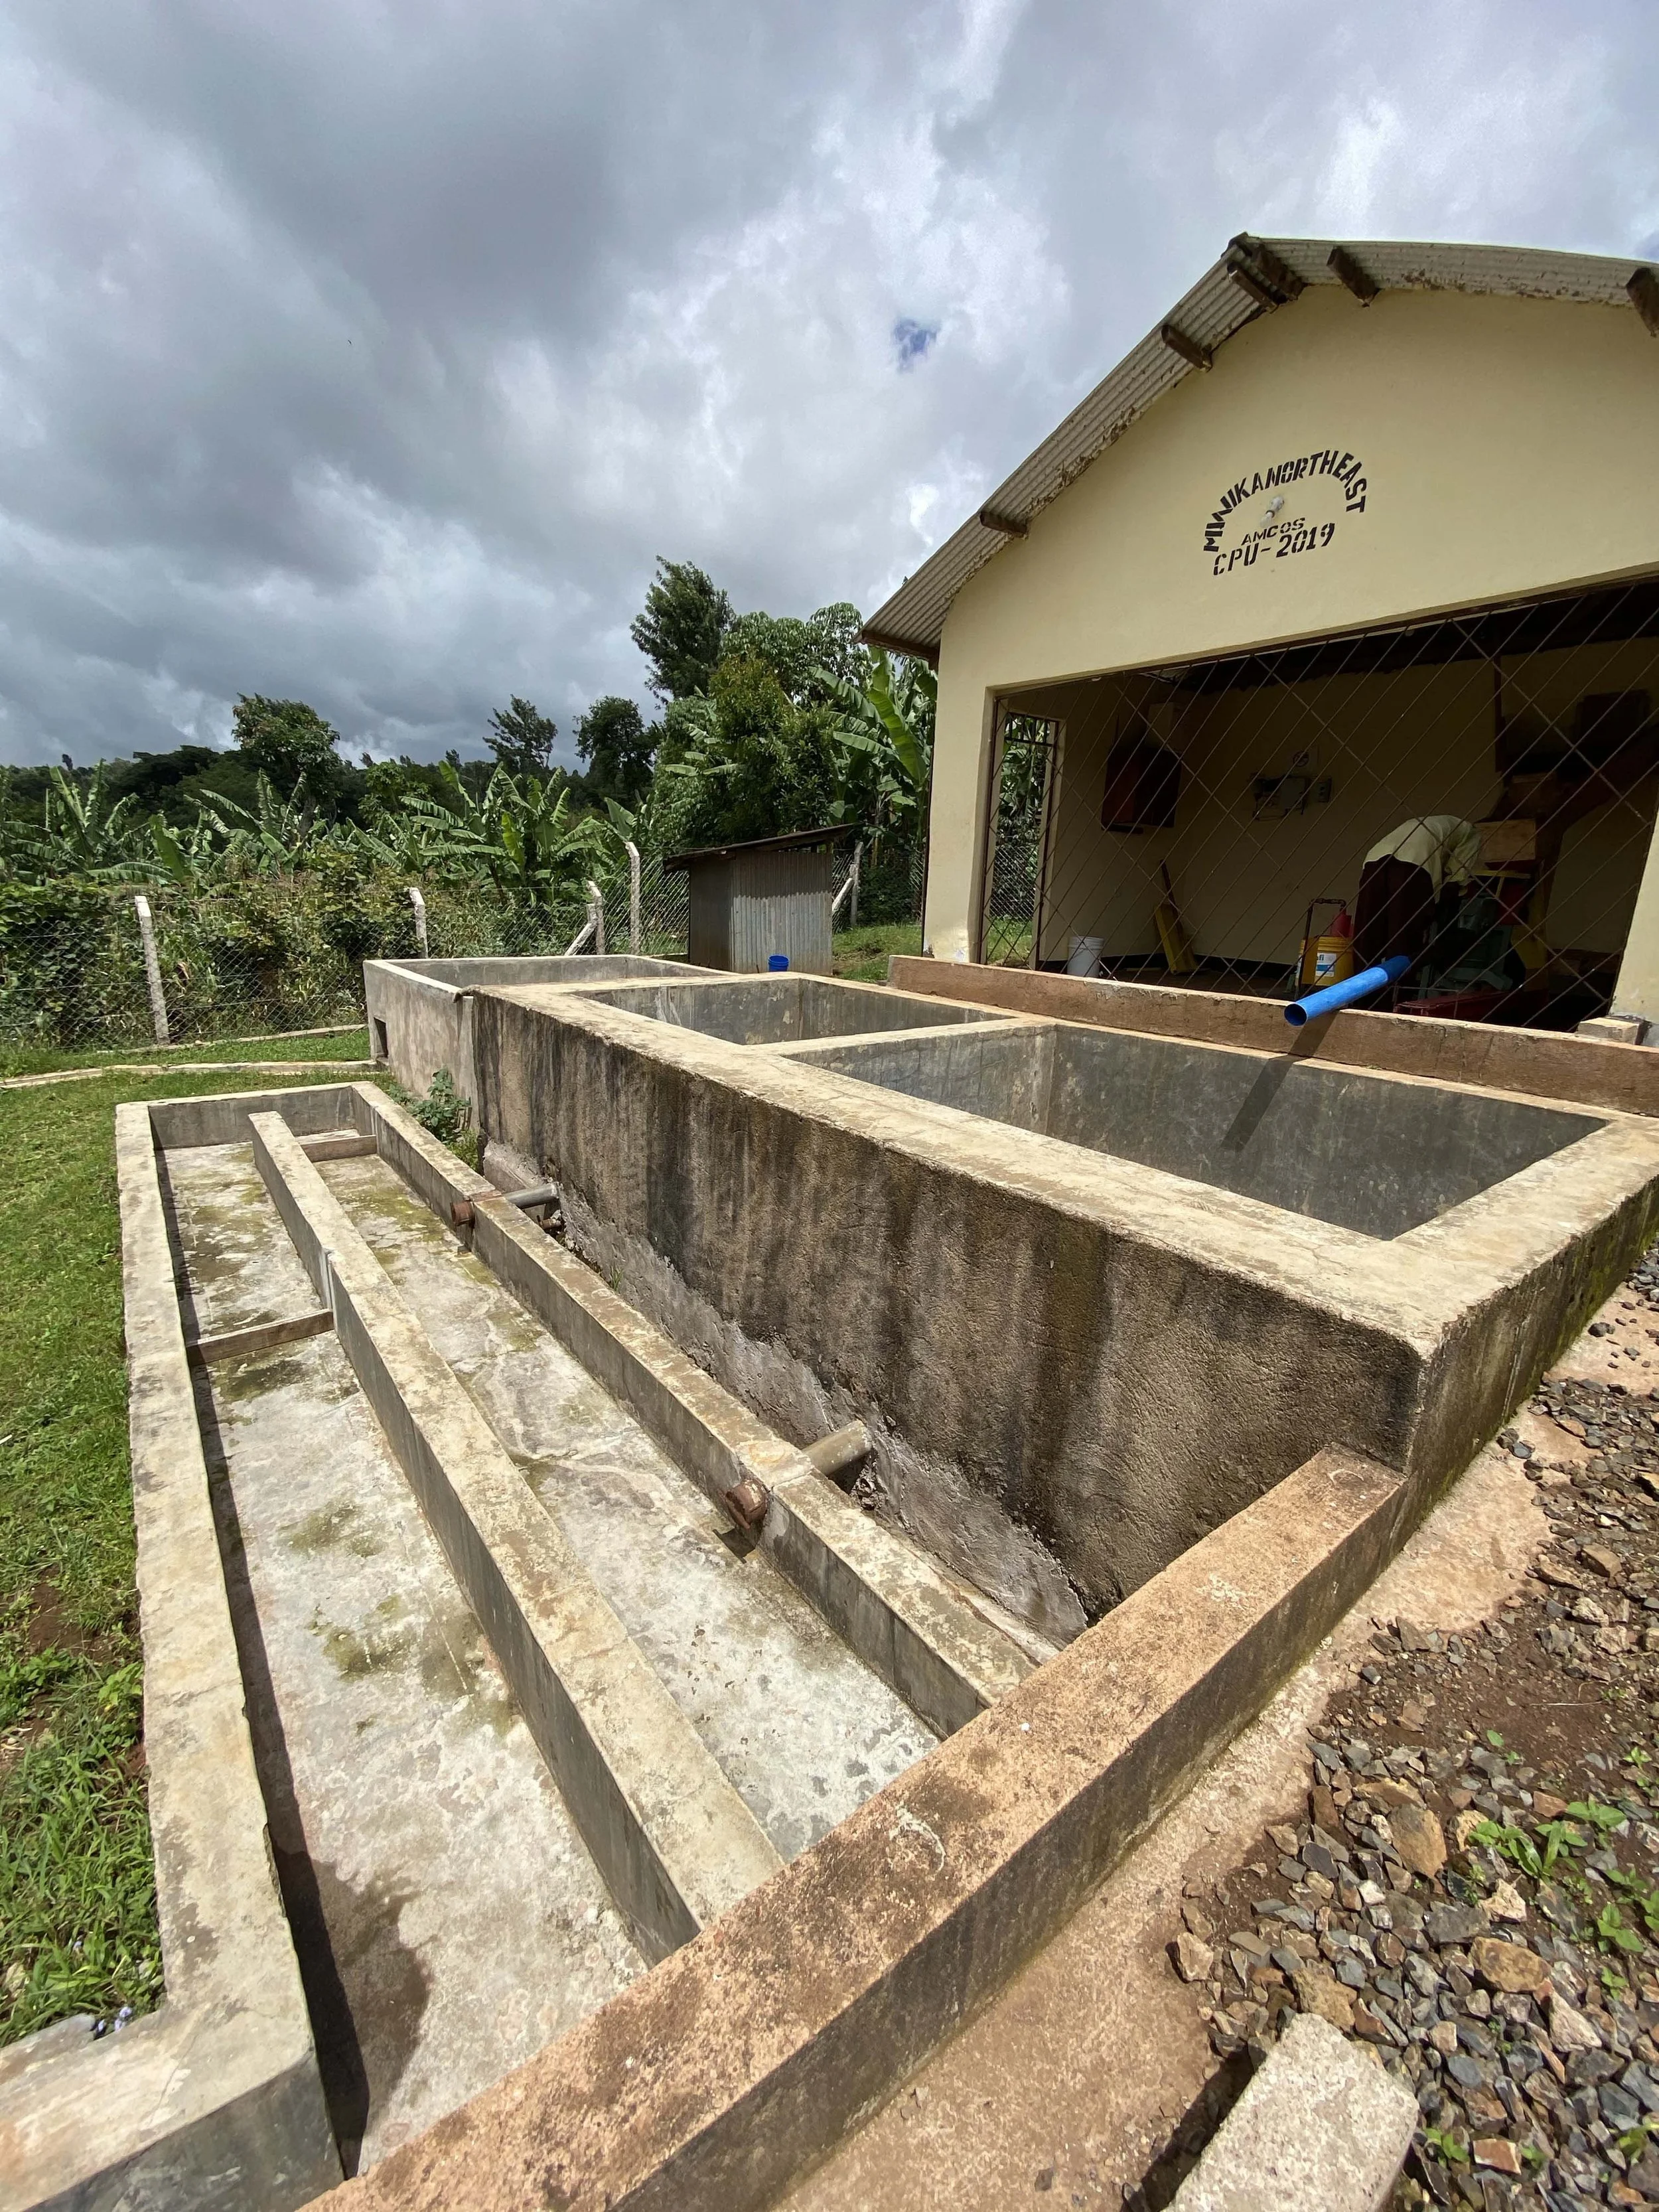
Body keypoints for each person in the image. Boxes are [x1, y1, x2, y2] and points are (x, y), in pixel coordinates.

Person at [1352, 815, 1482, 1001]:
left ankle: (1360, 996)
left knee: (1368, 932)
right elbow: (1456, 877)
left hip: (1374, 860)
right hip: (1413, 864)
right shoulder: (1472, 833)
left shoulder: (1435, 823)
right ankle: (1397, 998)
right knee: (1402, 936)